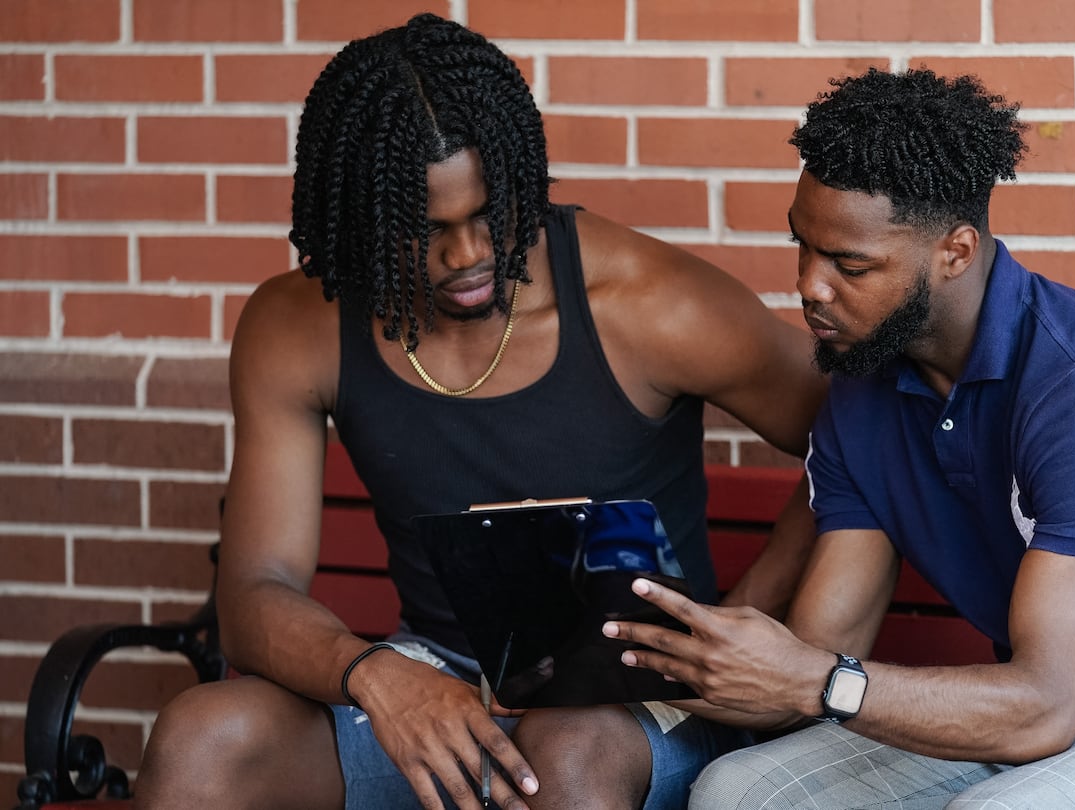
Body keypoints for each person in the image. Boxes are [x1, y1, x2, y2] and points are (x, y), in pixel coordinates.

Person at [132, 14, 826, 810]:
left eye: (491, 215)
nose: (468, 257)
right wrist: (378, 675)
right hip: (440, 679)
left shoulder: (647, 301)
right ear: (364, 223)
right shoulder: (298, 329)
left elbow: (860, 432)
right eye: (424, 232)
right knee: (200, 742)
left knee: (563, 751)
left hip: (642, 704)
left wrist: (749, 608)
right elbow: (255, 587)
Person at [604, 68, 1075, 809]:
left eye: (850, 264)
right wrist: (634, 660)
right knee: (743, 793)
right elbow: (812, 658)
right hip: (1042, 723)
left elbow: (1042, 703)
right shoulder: (862, 391)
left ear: (955, 251)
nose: (810, 286)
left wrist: (814, 678)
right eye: (805, 247)